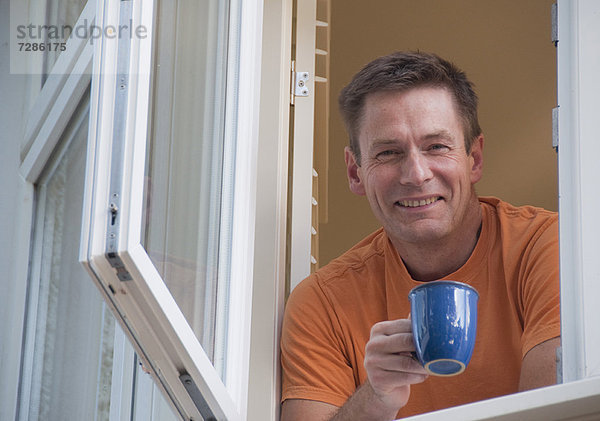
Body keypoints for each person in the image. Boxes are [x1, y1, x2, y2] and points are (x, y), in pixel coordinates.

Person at [280, 51, 560, 420]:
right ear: (355, 172)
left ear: (473, 159)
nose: (415, 174)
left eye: (437, 147)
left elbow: (557, 412)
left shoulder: (550, 246)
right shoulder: (321, 303)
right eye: (389, 152)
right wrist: (376, 398)